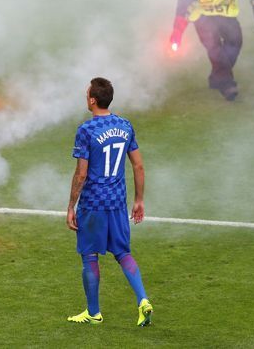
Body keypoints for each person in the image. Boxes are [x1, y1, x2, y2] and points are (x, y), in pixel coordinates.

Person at [66, 78, 152, 327]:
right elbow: (138, 165)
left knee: (89, 256)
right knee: (123, 253)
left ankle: (93, 312)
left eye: (86, 94)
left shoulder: (86, 130)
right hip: (117, 203)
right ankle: (143, 300)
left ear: (92, 99)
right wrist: (138, 200)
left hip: (93, 204)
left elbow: (81, 174)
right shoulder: (125, 126)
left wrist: (71, 205)